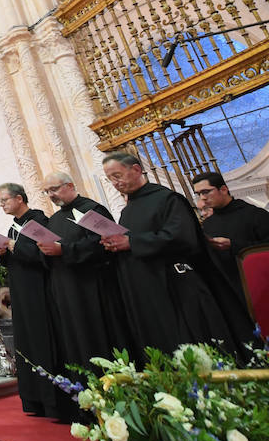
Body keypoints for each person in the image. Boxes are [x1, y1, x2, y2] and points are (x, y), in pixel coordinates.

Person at [99, 152, 250, 359]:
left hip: (175, 286)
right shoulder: (128, 211)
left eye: (117, 175)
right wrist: (114, 244)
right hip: (147, 287)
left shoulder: (167, 199)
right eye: (110, 179)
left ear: (136, 169)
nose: (114, 183)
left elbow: (182, 237)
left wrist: (132, 242)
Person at [34, 173, 129, 387]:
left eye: (54, 189)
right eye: (47, 191)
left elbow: (106, 245)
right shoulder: (55, 219)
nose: (51, 195)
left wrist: (64, 250)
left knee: (99, 339)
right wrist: (44, 250)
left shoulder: (91, 210)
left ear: (70, 185)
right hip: (66, 290)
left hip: (93, 288)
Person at [0, 183, 67, 420]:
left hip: (39, 291)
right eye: (0, 202)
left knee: (43, 340)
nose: (2, 204)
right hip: (21, 291)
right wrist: (2, 253)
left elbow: (43, 254)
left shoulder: (37, 221)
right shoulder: (15, 226)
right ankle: (34, 399)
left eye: (4, 200)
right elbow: (16, 257)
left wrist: (13, 246)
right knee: (26, 342)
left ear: (19, 198)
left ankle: (53, 401)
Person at [192, 170, 269, 297]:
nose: (202, 197)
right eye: (198, 194)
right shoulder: (208, 224)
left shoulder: (256, 215)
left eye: (206, 191)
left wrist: (233, 245)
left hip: (266, 286)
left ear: (223, 189)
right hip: (230, 290)